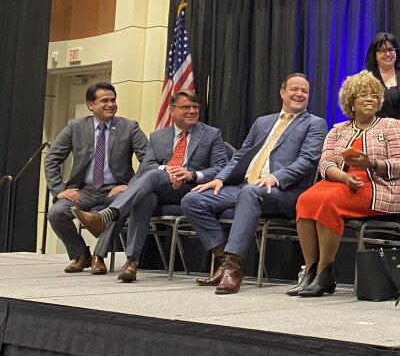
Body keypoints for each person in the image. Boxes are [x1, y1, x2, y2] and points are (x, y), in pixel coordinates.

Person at [181, 73, 327, 294]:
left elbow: (307, 161)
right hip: (246, 187)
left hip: (284, 192)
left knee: (250, 192)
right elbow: (240, 156)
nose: (299, 94)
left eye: (304, 91)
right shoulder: (263, 122)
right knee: (192, 199)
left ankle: (233, 269)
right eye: (294, 89)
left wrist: (276, 177)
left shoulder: (315, 124)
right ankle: (224, 259)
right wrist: (219, 178)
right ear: (282, 93)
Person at [73, 90, 228, 282]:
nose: (192, 111)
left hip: (192, 190)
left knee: (153, 176)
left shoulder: (211, 134)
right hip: (161, 188)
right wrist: (167, 169)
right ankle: (132, 262)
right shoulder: (158, 137)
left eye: (195, 107)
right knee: (145, 197)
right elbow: (147, 165)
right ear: (172, 110)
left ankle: (108, 214)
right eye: (186, 107)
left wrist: (192, 174)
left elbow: (222, 168)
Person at [288, 70, 400, 298]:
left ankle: (326, 272)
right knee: (305, 200)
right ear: (351, 102)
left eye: (374, 95)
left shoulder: (391, 126)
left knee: (328, 201)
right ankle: (311, 270)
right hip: (342, 182)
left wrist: (372, 162)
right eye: (363, 95)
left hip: (379, 188)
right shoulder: (338, 130)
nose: (370, 99)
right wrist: (345, 177)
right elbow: (324, 164)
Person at [44, 82, 148, 274]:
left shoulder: (129, 127)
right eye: (104, 101)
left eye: (113, 100)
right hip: (84, 189)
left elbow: (149, 160)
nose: (111, 104)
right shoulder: (75, 127)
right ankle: (81, 254)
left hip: (116, 189)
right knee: (56, 213)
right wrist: (60, 190)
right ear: (91, 105)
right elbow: (52, 159)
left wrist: (130, 187)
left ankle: (99, 256)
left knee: (120, 208)